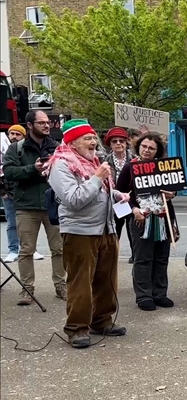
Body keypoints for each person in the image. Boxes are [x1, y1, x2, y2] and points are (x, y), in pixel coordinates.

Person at [46, 119, 130, 349]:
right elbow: (73, 199)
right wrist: (98, 177)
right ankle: (77, 328)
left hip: (106, 228)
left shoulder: (93, 161)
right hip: (80, 232)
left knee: (106, 279)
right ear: (73, 142)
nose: (94, 142)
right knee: (80, 283)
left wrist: (118, 195)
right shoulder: (60, 165)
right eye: (87, 138)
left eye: (94, 137)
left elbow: (102, 192)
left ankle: (101, 321)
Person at [1, 110, 64, 305]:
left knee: (59, 249)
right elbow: (9, 172)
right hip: (26, 206)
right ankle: (27, 290)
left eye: (47, 122)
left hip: (52, 205)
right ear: (29, 125)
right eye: (41, 123)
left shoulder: (56, 147)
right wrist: (33, 169)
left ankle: (61, 287)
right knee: (26, 250)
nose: (47, 125)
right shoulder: (17, 148)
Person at [116, 133, 177, 311]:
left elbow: (174, 188)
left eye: (151, 148)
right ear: (138, 147)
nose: (147, 150)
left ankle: (160, 294)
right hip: (141, 220)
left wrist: (172, 194)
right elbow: (118, 196)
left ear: (158, 151)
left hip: (162, 218)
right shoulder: (130, 168)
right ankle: (144, 296)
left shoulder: (164, 168)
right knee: (143, 258)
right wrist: (133, 210)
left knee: (161, 258)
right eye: (144, 146)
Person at [104, 127, 135, 263]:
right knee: (114, 229)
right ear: (110, 144)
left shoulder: (134, 160)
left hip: (132, 199)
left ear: (126, 143)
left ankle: (135, 254)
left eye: (121, 141)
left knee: (132, 229)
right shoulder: (104, 161)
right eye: (114, 141)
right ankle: (112, 255)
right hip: (114, 201)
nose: (118, 144)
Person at [2, 124, 27, 263]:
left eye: (18, 134)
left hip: (24, 192)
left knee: (28, 223)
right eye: (12, 133)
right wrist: (2, 192)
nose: (14, 136)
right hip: (8, 193)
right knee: (12, 223)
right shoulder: (3, 149)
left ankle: (28, 248)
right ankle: (13, 250)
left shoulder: (25, 150)